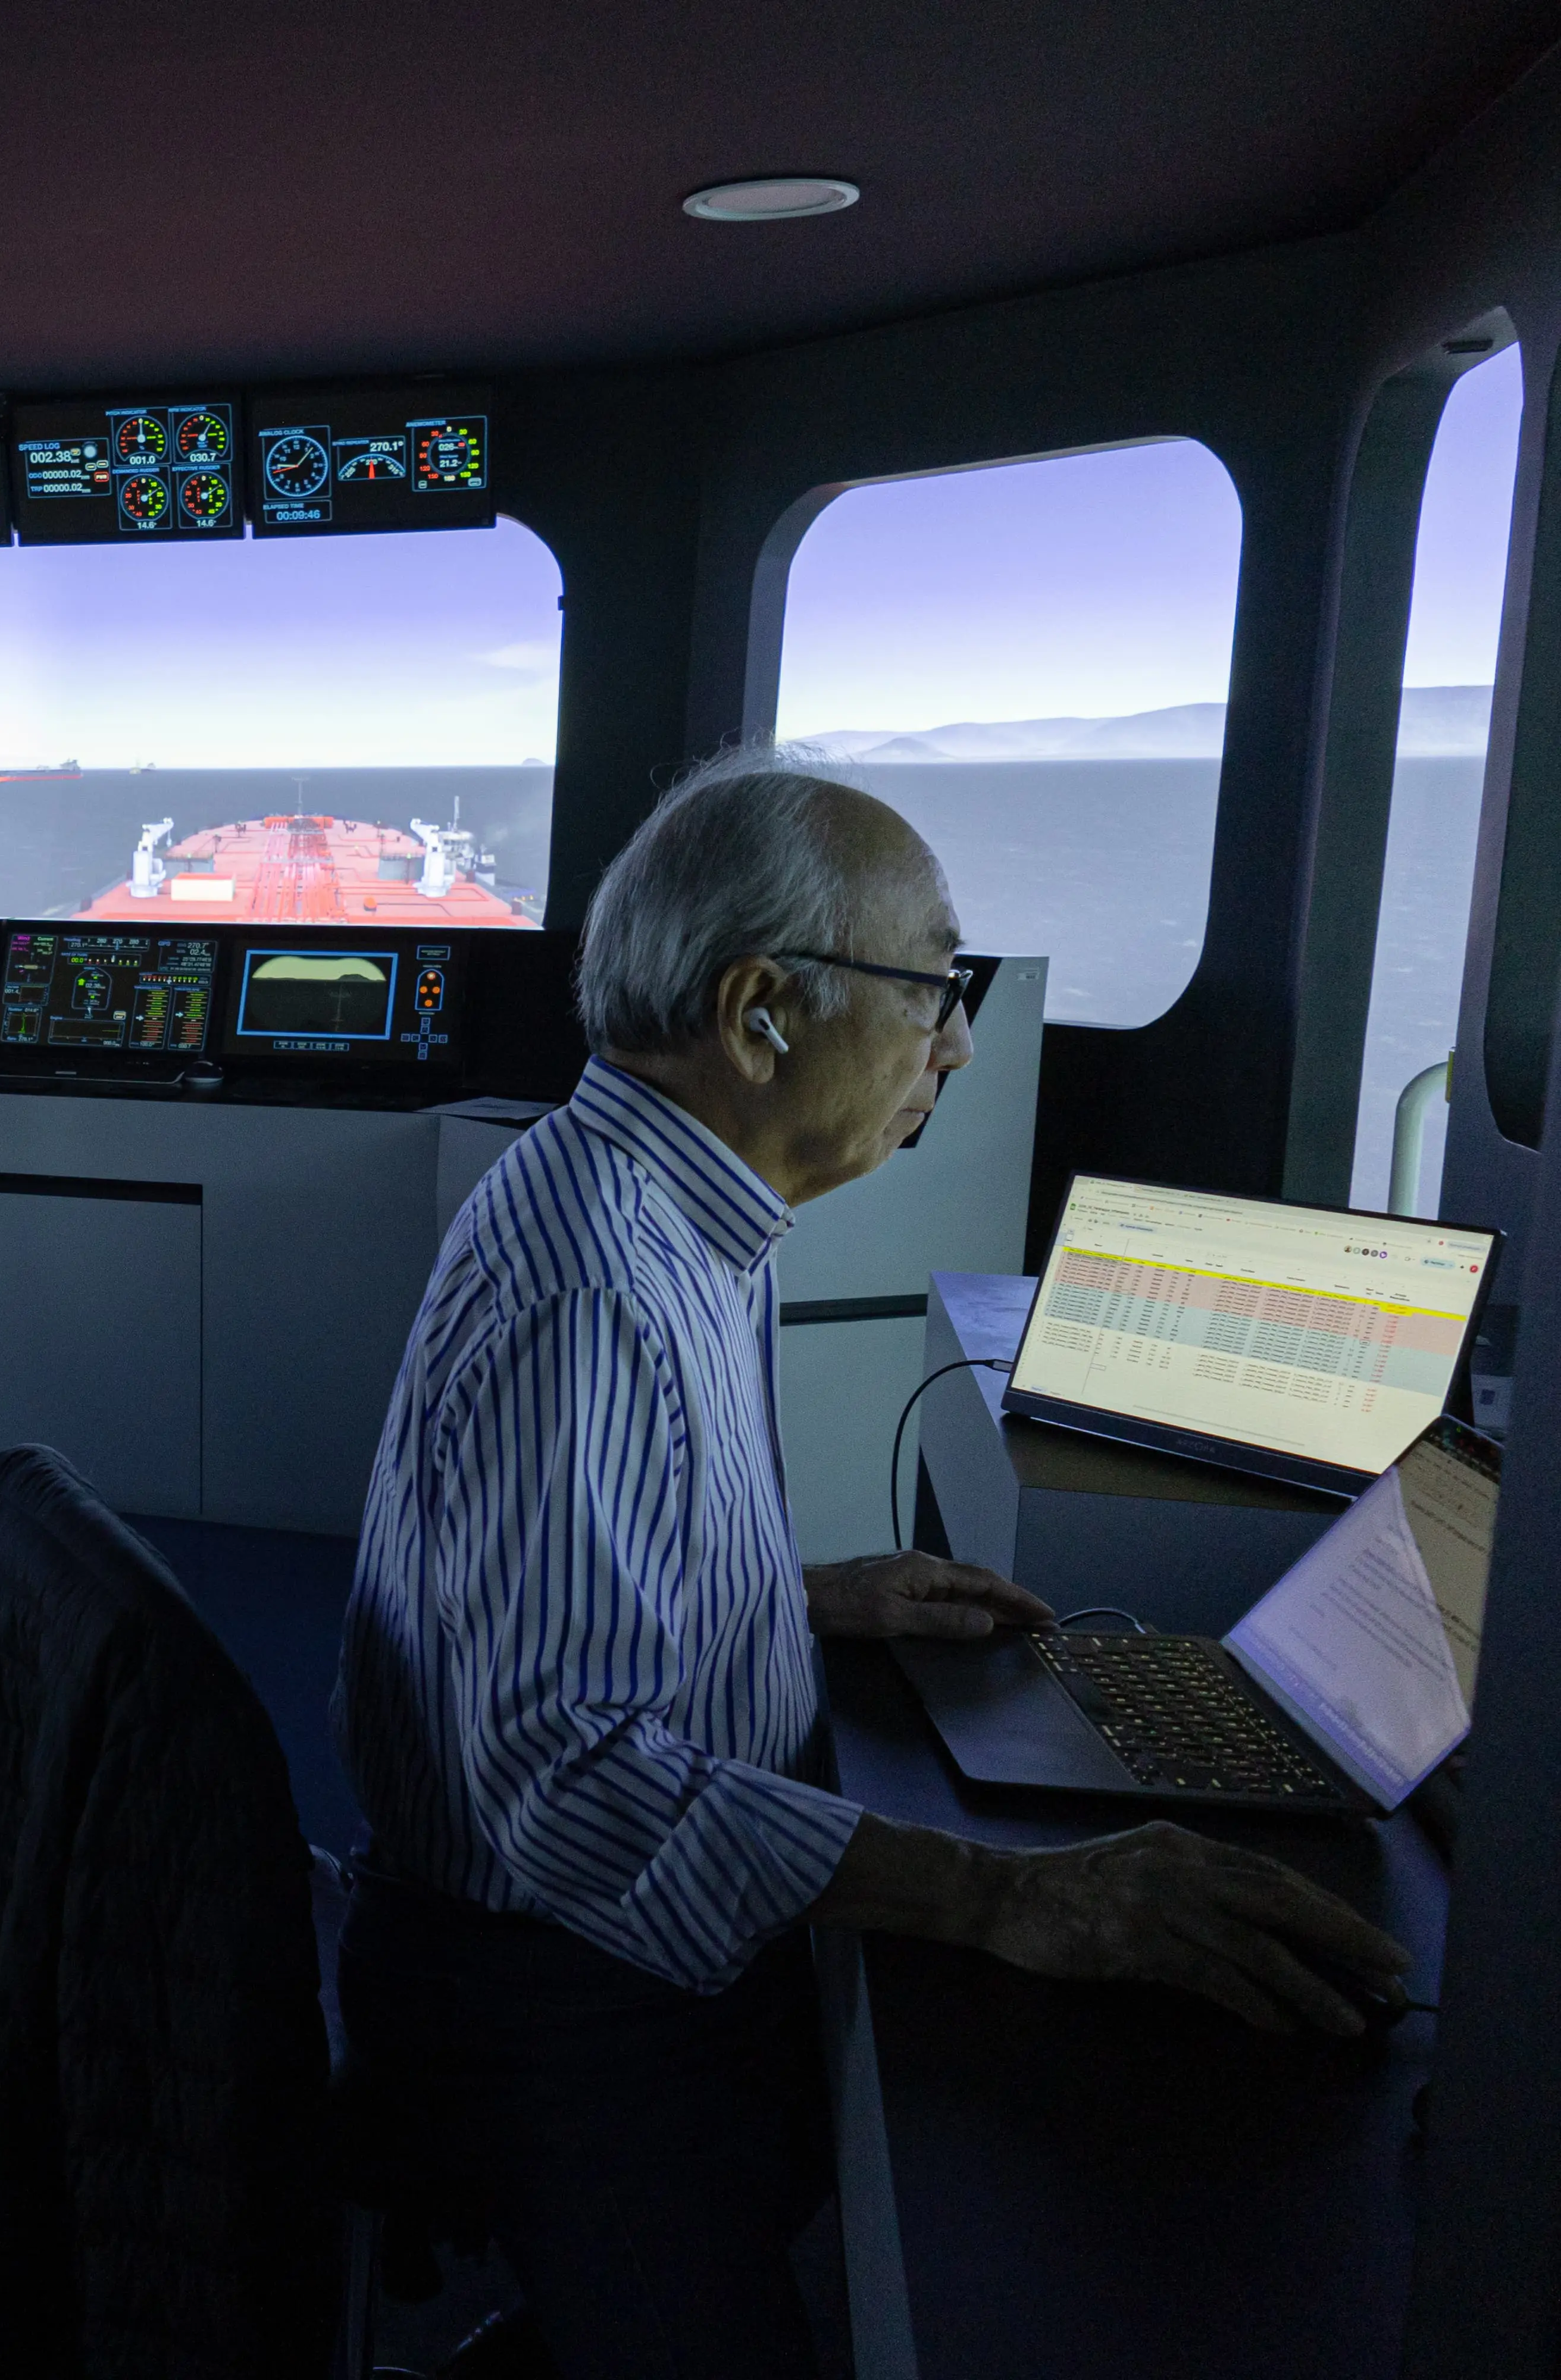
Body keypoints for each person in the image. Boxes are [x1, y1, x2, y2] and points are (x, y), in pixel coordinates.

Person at [335, 747, 1409, 2376]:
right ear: (764, 1011)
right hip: (557, 2004)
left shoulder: (666, 1210)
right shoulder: (601, 1291)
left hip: (569, 1959)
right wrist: (1005, 1895)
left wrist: (795, 1593)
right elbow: (557, 1781)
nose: (958, 1041)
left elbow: (551, 1607)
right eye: (933, 988)